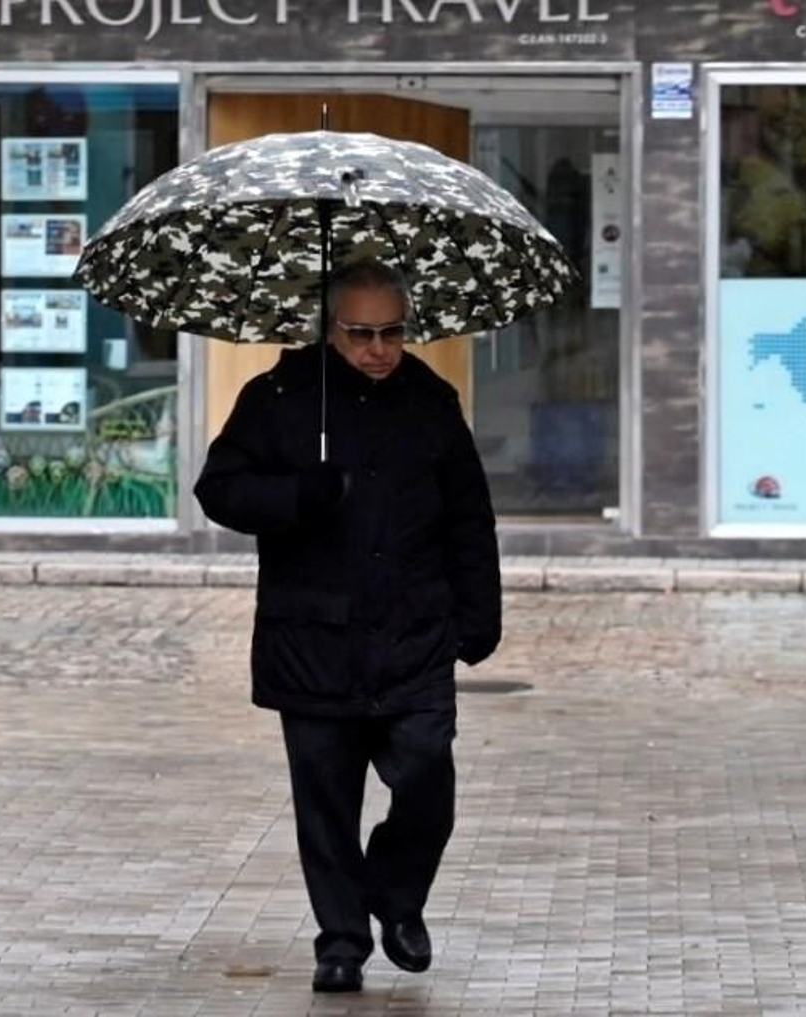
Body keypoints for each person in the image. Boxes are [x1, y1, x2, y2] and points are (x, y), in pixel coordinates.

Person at [194, 260, 502, 994]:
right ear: (330, 329)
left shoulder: (430, 400)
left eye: (392, 331)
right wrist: (301, 493)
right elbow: (220, 487)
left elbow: (468, 515)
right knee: (325, 800)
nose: (378, 348)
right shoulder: (279, 396)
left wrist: (479, 612)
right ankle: (341, 940)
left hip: (415, 631)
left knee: (427, 775)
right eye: (361, 333)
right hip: (314, 637)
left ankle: (398, 896)